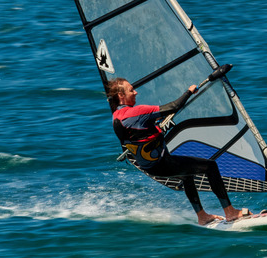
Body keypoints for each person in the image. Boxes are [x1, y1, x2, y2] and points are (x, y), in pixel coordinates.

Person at [107, 78, 250, 225]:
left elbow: (138, 132)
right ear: (121, 95)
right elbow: (174, 106)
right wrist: (189, 91)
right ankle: (230, 212)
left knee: (187, 175)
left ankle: (202, 216)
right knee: (210, 166)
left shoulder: (116, 117)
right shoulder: (138, 112)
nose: (136, 92)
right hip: (163, 163)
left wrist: (153, 126)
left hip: (149, 167)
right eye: (131, 90)